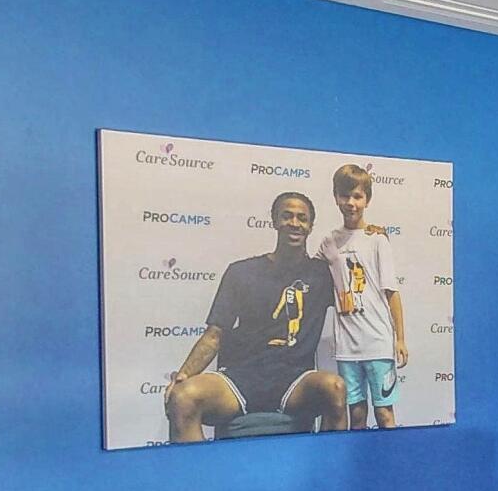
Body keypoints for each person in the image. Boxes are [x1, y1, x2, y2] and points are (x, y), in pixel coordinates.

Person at [164, 192, 346, 441]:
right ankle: (199, 478)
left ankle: (327, 475)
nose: (294, 223)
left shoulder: (322, 274)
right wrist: (183, 375)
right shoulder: (241, 272)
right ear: (274, 221)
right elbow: (214, 335)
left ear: (310, 226)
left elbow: (359, 298)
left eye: (302, 218)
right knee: (183, 397)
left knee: (334, 388)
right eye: (287, 216)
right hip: (240, 378)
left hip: (294, 380)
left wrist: (371, 234)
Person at [318, 164, 408, 430]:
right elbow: (310, 276)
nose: (350, 203)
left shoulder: (377, 240)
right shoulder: (328, 241)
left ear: (367, 199)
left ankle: (391, 466)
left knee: (385, 415)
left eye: (357, 196)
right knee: (356, 416)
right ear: (335, 197)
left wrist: (400, 339)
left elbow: (392, 293)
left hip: (378, 343)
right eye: (344, 196)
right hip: (347, 348)